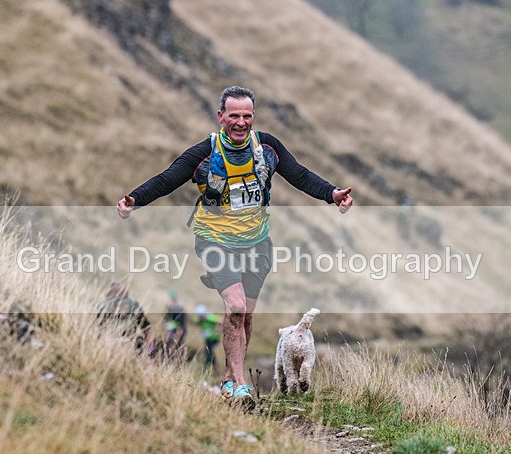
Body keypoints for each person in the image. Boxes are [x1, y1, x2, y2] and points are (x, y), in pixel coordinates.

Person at [117, 86, 354, 408]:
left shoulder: (268, 147)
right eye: (234, 116)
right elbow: (168, 178)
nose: (241, 122)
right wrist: (135, 199)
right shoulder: (204, 153)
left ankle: (229, 378)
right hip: (214, 239)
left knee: (245, 317)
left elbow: (299, 175)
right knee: (236, 306)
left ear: (252, 117)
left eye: (247, 116)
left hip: (258, 241)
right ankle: (242, 386)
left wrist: (332, 193)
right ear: (221, 117)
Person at [96, 281, 155, 355]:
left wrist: (150, 348)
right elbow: (147, 329)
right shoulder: (103, 308)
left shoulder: (134, 307)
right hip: (119, 345)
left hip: (117, 346)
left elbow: (147, 329)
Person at [194, 304, 222, 370]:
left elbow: (221, 321)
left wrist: (215, 331)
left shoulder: (210, 317)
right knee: (208, 352)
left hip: (214, 338)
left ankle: (212, 367)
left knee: (210, 351)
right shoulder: (200, 320)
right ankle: (212, 367)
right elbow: (198, 325)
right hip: (207, 339)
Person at [163, 289, 187, 359]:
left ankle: (179, 358)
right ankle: (168, 355)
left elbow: (182, 319)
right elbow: (167, 317)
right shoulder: (169, 306)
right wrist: (165, 324)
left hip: (180, 327)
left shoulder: (180, 306)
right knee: (169, 341)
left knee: (179, 343)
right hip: (173, 326)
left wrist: (180, 329)